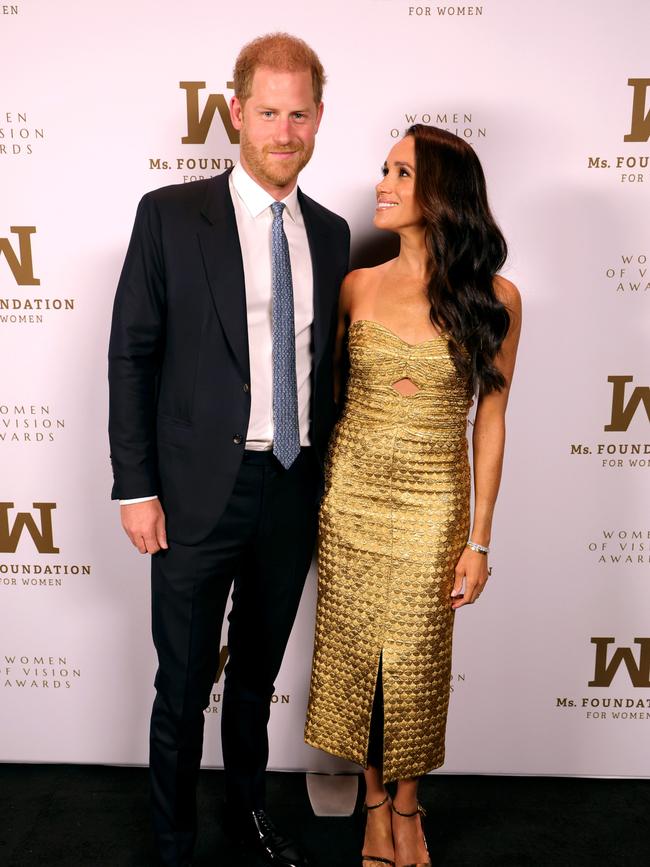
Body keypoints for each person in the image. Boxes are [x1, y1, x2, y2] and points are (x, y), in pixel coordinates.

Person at [108, 33, 350, 867]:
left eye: (300, 113)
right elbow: (132, 353)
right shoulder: (170, 215)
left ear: (319, 118)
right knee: (182, 686)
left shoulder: (331, 231)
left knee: (253, 682)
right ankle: (173, 844)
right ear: (237, 113)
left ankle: (246, 817)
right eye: (269, 112)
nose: (285, 131)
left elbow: (327, 368)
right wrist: (135, 486)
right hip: (192, 493)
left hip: (289, 487)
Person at [305, 124, 521, 867]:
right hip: (352, 500)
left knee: (417, 667)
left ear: (441, 194)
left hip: (434, 505)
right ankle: (372, 807)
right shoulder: (357, 285)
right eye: (384, 168)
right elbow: (324, 398)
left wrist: (479, 538)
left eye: (402, 172)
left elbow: (490, 419)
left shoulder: (496, 298)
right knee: (357, 662)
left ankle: (407, 804)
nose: (383, 184)